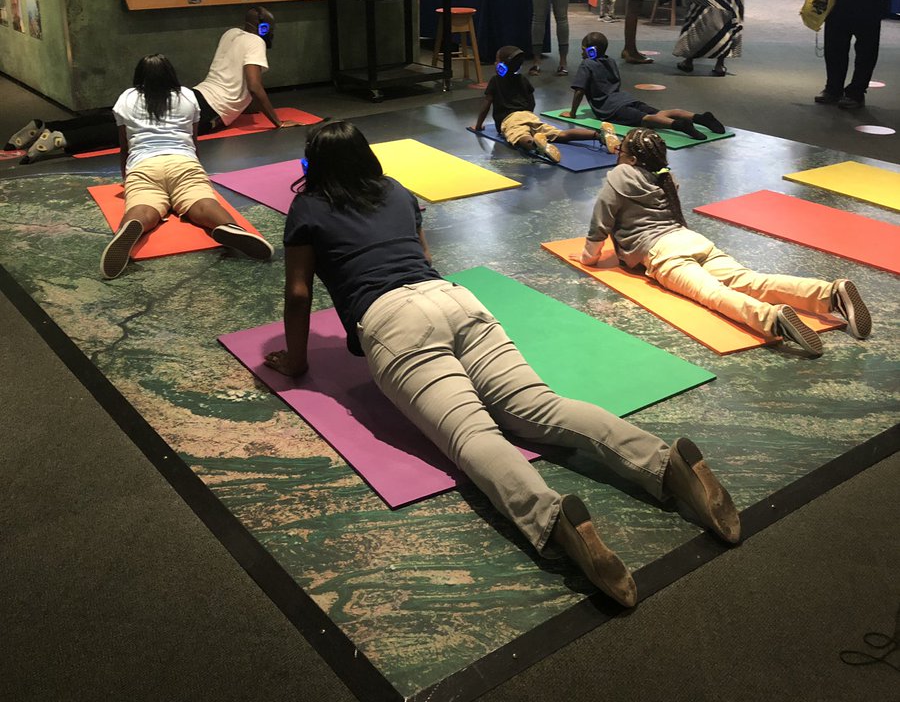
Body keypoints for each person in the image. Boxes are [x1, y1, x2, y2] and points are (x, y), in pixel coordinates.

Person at [264, 120, 744, 607]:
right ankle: (666, 463)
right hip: (454, 299)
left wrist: (297, 362)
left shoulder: (308, 207)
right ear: (367, 156)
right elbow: (424, 257)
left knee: (473, 435)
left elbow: (299, 293)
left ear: (314, 165)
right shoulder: (395, 190)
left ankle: (554, 521)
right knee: (543, 407)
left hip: (392, 321)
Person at [580, 127, 871, 358]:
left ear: (631, 159)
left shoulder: (621, 174)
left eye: (621, 150)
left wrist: (589, 257)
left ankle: (771, 319)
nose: (617, 153)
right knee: (752, 280)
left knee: (713, 294)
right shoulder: (664, 176)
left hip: (662, 252)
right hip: (692, 241)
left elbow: (601, 218)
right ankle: (830, 294)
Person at [6, 6, 291, 161]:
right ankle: (63, 139)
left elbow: (235, 80)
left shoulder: (231, 33)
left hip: (195, 93)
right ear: (265, 28)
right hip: (210, 110)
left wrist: (248, 109)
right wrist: (277, 122)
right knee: (134, 130)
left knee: (123, 117)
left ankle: (47, 126)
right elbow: (253, 85)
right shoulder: (256, 42)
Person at [100, 54, 273, 279]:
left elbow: (124, 146)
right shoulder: (187, 96)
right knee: (202, 203)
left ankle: (133, 225)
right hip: (183, 161)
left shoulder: (126, 98)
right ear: (171, 74)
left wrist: (127, 176)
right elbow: (193, 139)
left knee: (144, 206)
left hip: (144, 164)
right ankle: (229, 226)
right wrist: (197, 168)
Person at [568, 32, 726, 141]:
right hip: (626, 99)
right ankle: (699, 117)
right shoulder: (610, 61)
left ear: (591, 51)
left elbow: (579, 91)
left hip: (612, 108)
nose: (582, 53)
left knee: (645, 119)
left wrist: (572, 113)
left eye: (583, 50)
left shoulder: (586, 64)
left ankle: (678, 125)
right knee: (661, 112)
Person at [468, 44, 607, 163]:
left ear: (501, 66)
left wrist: (479, 126)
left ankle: (538, 145)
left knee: (521, 136)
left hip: (510, 120)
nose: (495, 63)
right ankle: (598, 135)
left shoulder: (495, 80)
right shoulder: (523, 79)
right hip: (530, 116)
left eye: (497, 61)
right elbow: (531, 101)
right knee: (561, 134)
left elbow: (487, 104)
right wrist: (529, 115)